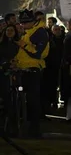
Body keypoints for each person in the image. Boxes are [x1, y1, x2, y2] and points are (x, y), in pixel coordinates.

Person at [13, 10, 50, 138]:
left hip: (33, 70)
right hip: (23, 69)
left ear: (32, 21)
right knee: (24, 100)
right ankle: (26, 127)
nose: (23, 25)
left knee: (33, 100)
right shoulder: (28, 31)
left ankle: (34, 129)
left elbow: (37, 53)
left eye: (25, 23)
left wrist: (24, 46)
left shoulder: (40, 32)